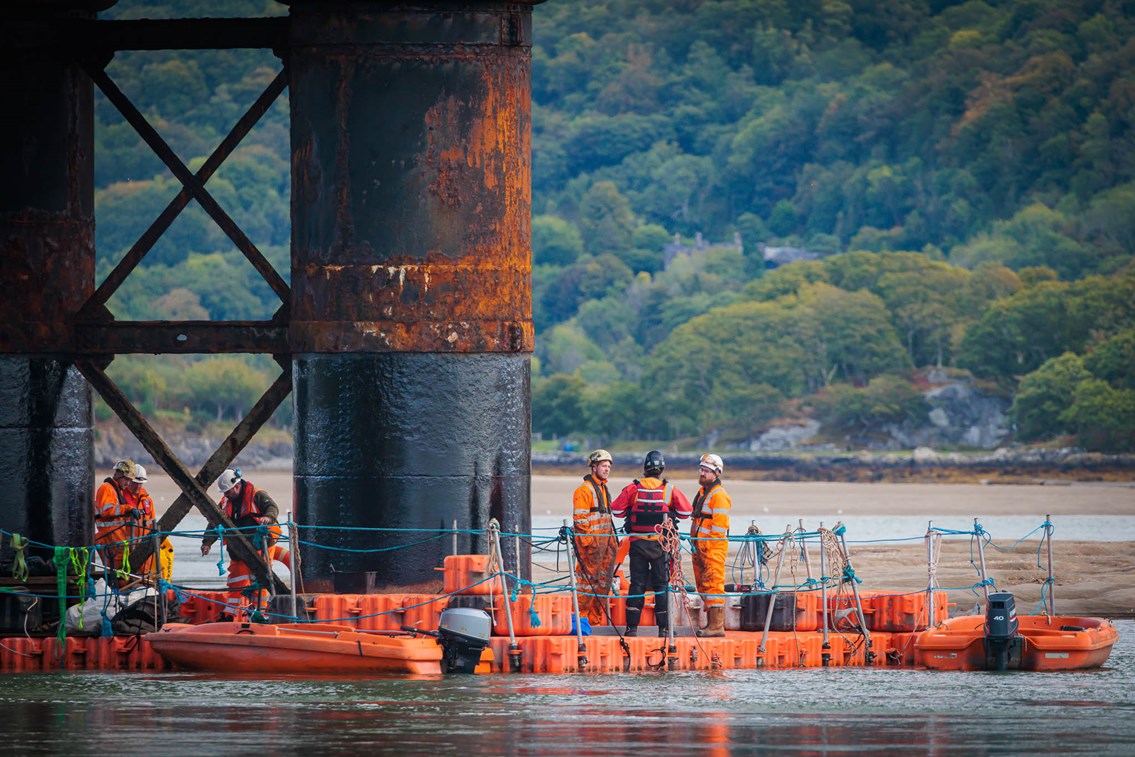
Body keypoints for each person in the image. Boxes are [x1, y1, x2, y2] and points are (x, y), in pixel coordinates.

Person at [610, 450, 692, 636]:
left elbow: (616, 511)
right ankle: (663, 630)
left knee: (637, 584)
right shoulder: (669, 489)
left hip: (637, 544)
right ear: (661, 469)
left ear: (645, 469)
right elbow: (686, 513)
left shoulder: (633, 488)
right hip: (661, 545)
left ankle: (632, 629)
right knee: (662, 585)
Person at [201, 468, 290, 620]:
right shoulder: (225, 502)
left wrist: (268, 518)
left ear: (236, 486)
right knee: (236, 579)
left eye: (227, 491)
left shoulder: (256, 495)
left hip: (261, 544)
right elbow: (214, 523)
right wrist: (207, 542)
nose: (225, 495)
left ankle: (260, 613)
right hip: (238, 549)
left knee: (260, 581)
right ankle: (231, 615)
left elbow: (272, 507)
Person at [572, 449, 619, 625]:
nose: (607, 469)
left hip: (605, 546)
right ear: (593, 467)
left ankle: (595, 620)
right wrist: (589, 545)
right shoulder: (583, 491)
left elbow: (606, 518)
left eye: (608, 466)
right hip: (591, 548)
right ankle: (581, 620)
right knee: (587, 583)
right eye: (603, 466)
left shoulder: (603, 490)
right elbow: (580, 521)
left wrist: (611, 543)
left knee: (604, 583)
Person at [690, 453, 732, 637]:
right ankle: (710, 624)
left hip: (712, 548)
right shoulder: (703, 493)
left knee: (714, 584)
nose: (702, 473)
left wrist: (707, 546)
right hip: (701, 547)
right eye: (701, 469)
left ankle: (717, 626)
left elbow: (719, 527)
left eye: (706, 471)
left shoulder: (719, 496)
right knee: (704, 585)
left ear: (716, 473)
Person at [93, 459, 145, 579]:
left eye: (129, 480)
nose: (128, 483)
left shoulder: (117, 491)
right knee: (117, 577)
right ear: (118, 474)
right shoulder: (106, 489)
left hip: (117, 541)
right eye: (126, 479)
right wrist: (128, 508)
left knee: (122, 574)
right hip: (108, 540)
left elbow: (117, 514)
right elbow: (106, 511)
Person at [125, 465, 175, 582]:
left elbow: (152, 523)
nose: (138, 486)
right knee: (128, 576)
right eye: (135, 482)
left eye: (140, 483)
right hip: (126, 547)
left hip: (144, 546)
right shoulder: (122, 497)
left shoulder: (147, 501)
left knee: (145, 574)